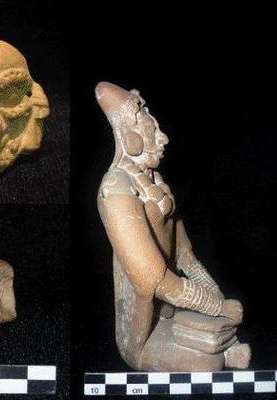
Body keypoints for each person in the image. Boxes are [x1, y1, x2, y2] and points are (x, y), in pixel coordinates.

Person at [96, 82, 251, 371]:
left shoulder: (155, 182)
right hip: (140, 334)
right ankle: (222, 355)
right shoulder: (116, 187)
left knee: (222, 330)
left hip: (169, 310)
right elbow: (153, 281)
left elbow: (185, 258)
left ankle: (222, 348)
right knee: (208, 361)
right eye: (153, 130)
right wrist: (217, 307)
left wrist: (217, 298)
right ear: (131, 138)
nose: (164, 138)